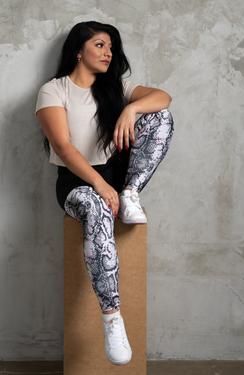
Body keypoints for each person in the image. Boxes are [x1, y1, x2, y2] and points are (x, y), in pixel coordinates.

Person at [36, 21, 174, 366]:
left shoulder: (117, 87)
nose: (108, 52)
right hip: (76, 181)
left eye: (111, 46)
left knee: (161, 116)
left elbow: (164, 98)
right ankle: (112, 319)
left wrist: (131, 108)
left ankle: (131, 193)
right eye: (99, 45)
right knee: (96, 209)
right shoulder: (54, 90)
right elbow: (63, 147)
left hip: (118, 176)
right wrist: (99, 185)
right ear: (78, 50)